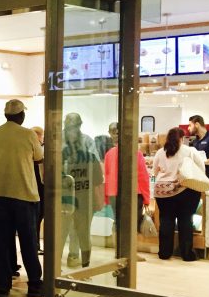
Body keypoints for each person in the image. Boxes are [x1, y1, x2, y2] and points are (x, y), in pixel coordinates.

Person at [0, 99, 43, 297]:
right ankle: (34, 284)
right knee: (28, 241)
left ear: (6, 115)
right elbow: (39, 157)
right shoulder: (28, 134)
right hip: (24, 195)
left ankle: (2, 287)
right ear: (21, 115)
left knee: (1, 242)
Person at [153, 127, 205, 262]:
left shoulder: (160, 152)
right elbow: (201, 169)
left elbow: (155, 171)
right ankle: (187, 254)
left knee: (166, 220)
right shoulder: (190, 151)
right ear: (182, 138)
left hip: (162, 191)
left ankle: (164, 253)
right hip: (184, 190)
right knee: (185, 220)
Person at [62, 113, 104, 268]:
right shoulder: (60, 142)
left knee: (73, 231)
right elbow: (97, 175)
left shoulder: (86, 141)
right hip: (70, 195)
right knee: (75, 231)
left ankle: (73, 258)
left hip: (77, 195)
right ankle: (75, 260)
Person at [104, 122, 150, 217]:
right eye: (113, 132)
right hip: (133, 194)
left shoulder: (109, 154)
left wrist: (107, 197)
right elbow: (143, 177)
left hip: (114, 195)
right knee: (133, 222)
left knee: (119, 222)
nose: (116, 134)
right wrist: (146, 198)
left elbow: (107, 177)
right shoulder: (135, 153)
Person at [188, 115, 209, 184]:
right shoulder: (195, 141)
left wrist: (201, 162)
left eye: (190, 125)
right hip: (199, 179)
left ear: (197, 124)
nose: (188, 128)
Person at [31, 126, 45, 253]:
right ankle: (35, 246)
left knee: (37, 218)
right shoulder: (38, 151)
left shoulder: (39, 150)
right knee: (37, 218)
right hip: (39, 190)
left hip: (37, 189)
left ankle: (35, 245)